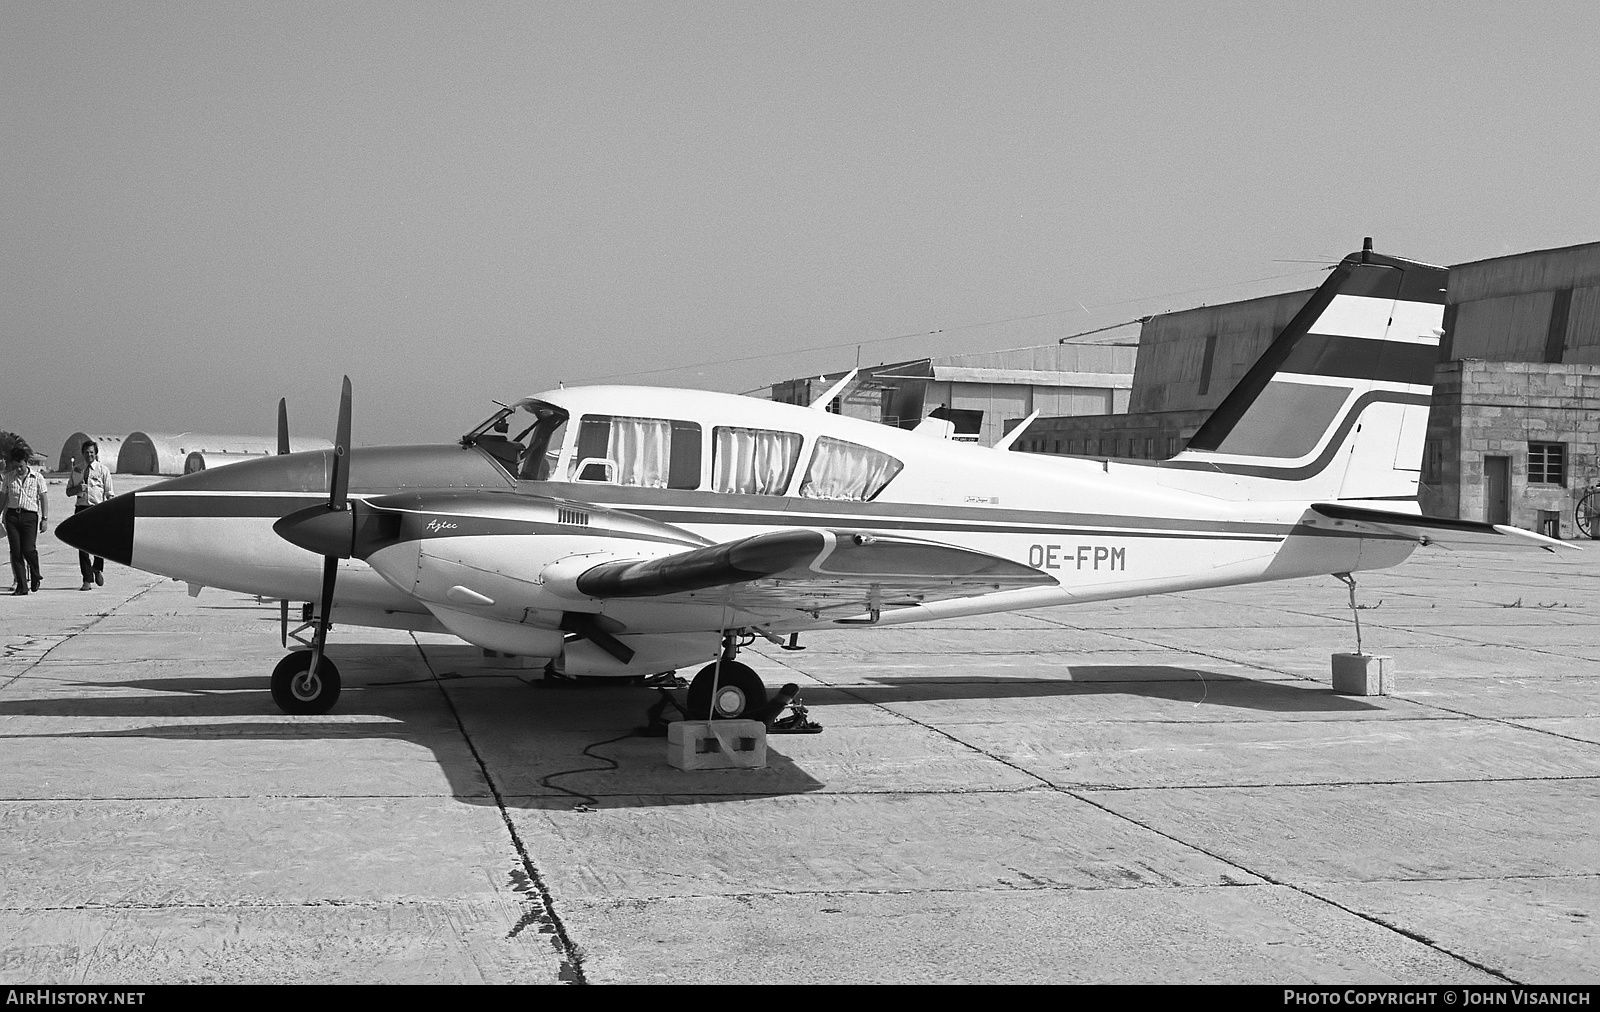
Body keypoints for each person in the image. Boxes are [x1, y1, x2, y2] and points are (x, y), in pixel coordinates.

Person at [3, 445, 49, 595]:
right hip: (12, 517)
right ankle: (22, 586)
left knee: (28, 549)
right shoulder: (8, 478)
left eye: (21, 466)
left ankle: (35, 574)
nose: (19, 470)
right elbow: (3, 498)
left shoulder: (37, 478)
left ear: (26, 462)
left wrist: (45, 518)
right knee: (16, 552)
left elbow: (43, 498)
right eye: (16, 467)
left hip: (30, 516)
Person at [68, 439, 114, 590]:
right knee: (82, 545)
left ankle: (97, 568)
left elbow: (109, 493)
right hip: (81, 508)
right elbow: (69, 491)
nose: (89, 455)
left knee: (99, 543)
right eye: (86, 453)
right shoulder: (77, 470)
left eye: (92, 453)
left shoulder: (103, 470)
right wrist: (77, 489)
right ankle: (87, 579)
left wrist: (110, 511)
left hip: (97, 509)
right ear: (82, 453)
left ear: (96, 454)